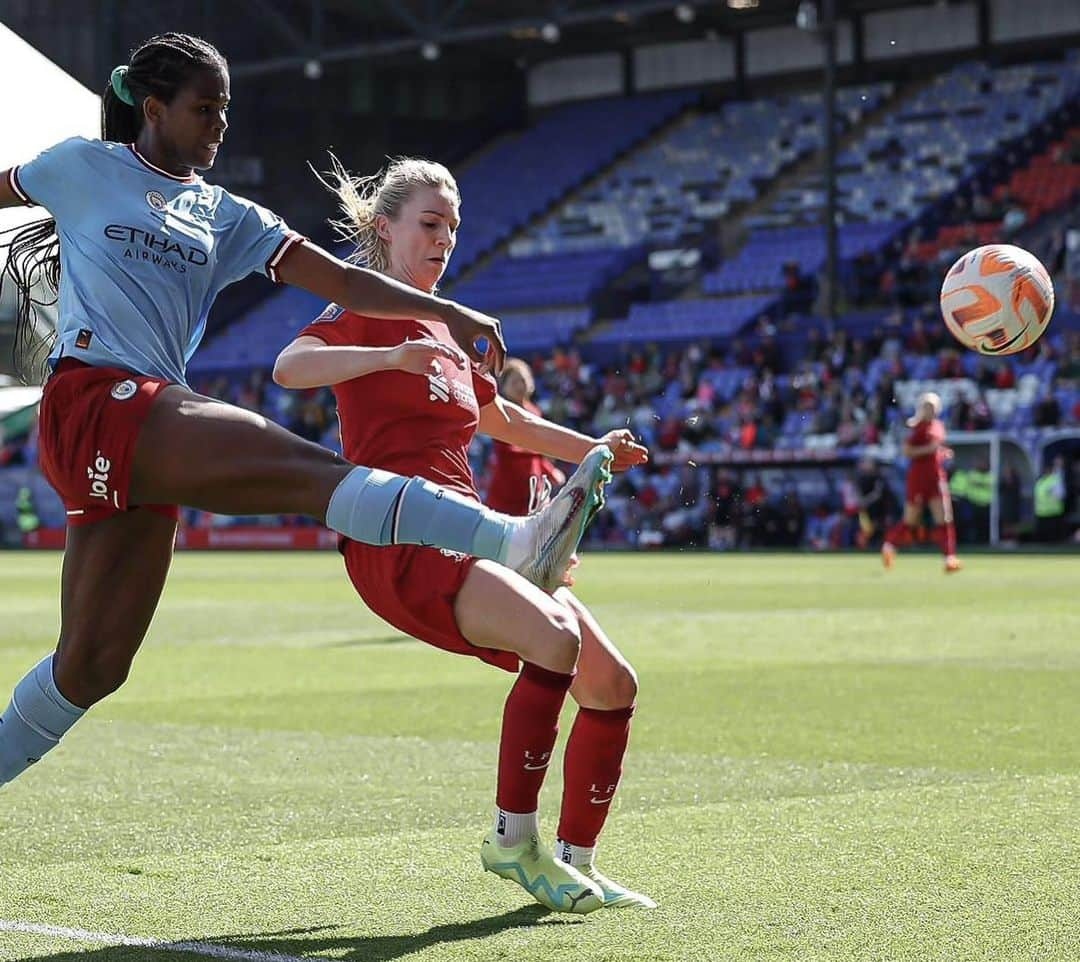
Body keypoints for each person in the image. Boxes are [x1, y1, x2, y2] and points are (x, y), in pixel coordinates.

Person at [0, 34, 611, 790]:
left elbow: (349, 286)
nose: (220, 124)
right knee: (310, 471)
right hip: (95, 400)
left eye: (226, 108)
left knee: (92, 668)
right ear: (153, 110)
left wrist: (448, 308)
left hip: (137, 440)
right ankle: (511, 540)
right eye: (204, 109)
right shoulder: (79, 167)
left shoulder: (228, 215)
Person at [273, 154, 653, 914]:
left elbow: (504, 420)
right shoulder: (361, 309)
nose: (445, 238)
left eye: (452, 226)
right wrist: (388, 354)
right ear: (385, 230)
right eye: (429, 223)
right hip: (400, 538)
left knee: (612, 684)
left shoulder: (449, 329)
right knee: (555, 641)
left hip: (474, 532)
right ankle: (513, 840)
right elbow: (290, 366)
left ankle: (577, 861)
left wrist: (596, 449)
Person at [881, 392, 961, 572]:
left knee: (945, 518)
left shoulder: (938, 426)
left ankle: (950, 557)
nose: (930, 410)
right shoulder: (918, 428)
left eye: (932, 407)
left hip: (935, 476)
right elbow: (908, 451)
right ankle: (889, 545)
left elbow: (935, 448)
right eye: (926, 406)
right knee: (910, 519)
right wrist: (929, 450)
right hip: (918, 477)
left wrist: (940, 453)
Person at [485, 358, 565, 515]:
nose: (520, 386)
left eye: (522, 380)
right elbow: (507, 449)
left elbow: (539, 457)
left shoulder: (535, 411)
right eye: (514, 382)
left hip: (533, 488)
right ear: (504, 386)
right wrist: (543, 449)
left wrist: (550, 470)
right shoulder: (501, 412)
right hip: (507, 488)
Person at [1034, 455, 1067, 543]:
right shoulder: (1040, 480)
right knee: (1043, 533)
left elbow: (1060, 494)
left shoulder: (1055, 479)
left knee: (1052, 534)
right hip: (1041, 511)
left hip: (1053, 511)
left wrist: (1053, 495)